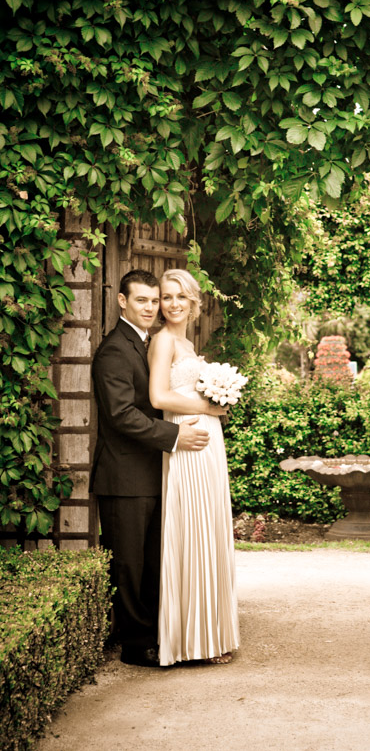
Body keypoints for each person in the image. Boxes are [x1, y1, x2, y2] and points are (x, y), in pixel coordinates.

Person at [90, 269, 211, 668]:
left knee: (154, 561)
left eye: (154, 300)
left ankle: (158, 634)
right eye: (141, 300)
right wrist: (174, 437)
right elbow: (122, 414)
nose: (151, 307)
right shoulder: (113, 351)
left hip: (157, 471)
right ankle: (135, 645)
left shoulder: (146, 343)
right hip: (124, 476)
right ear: (122, 301)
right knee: (128, 563)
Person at [148, 268, 240, 667]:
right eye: (166, 297)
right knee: (191, 528)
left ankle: (213, 635)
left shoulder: (186, 341)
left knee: (210, 528)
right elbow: (158, 397)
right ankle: (190, 641)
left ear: (193, 302)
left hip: (207, 444)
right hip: (185, 442)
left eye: (180, 297)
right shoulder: (163, 341)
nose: (172, 304)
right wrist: (208, 406)